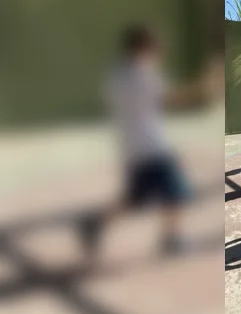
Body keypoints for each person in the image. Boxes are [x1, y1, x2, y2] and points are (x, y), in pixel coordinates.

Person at [81, 24, 220, 260]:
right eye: (154, 47)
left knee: (135, 199)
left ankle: (95, 223)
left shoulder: (116, 75)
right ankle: (171, 240)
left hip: (132, 148)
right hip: (153, 148)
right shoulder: (142, 73)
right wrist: (204, 86)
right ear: (143, 47)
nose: (157, 52)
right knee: (176, 192)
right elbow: (171, 98)